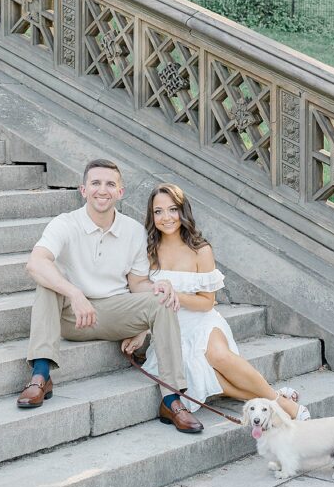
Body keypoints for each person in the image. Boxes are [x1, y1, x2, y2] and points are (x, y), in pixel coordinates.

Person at [18, 159, 204, 434]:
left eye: (110, 184)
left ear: (120, 192)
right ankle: (41, 375)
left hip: (114, 311)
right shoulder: (65, 224)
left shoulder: (133, 231)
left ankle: (172, 399)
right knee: (47, 280)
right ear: (83, 190)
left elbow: (137, 283)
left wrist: (158, 287)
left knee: (161, 300)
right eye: (95, 183)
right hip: (72, 316)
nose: (102, 190)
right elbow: (35, 263)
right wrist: (74, 292)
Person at [123, 183, 310, 421]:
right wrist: (141, 329)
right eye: (158, 211)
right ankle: (274, 399)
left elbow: (207, 303)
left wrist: (174, 295)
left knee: (218, 357)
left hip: (202, 321)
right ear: (152, 216)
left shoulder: (201, 250)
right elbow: (140, 292)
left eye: (172, 209)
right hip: (168, 328)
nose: (166, 217)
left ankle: (284, 407)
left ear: (183, 211)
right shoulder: (149, 250)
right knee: (205, 377)